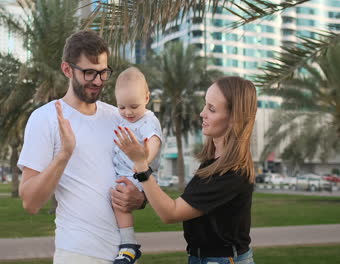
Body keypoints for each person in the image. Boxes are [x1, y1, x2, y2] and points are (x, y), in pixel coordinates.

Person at [17, 29, 146, 264]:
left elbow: (138, 172)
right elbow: (30, 202)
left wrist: (139, 198)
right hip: (78, 255)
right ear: (67, 69)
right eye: (89, 73)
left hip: (125, 254)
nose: (98, 81)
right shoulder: (45, 118)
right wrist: (64, 154)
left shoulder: (118, 117)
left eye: (103, 73)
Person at [115, 76, 257, 264]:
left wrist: (141, 165)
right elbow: (181, 204)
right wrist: (141, 197)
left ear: (234, 118)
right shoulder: (213, 162)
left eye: (212, 109)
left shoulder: (231, 173)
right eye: (205, 105)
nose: (202, 113)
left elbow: (171, 213)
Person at [111, 67, 162, 264]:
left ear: (147, 98)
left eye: (133, 106)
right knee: (117, 202)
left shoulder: (148, 119)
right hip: (125, 172)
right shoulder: (124, 118)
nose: (128, 112)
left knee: (120, 204)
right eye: (122, 107)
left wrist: (143, 161)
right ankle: (127, 243)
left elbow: (154, 141)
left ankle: (128, 244)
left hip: (137, 174)